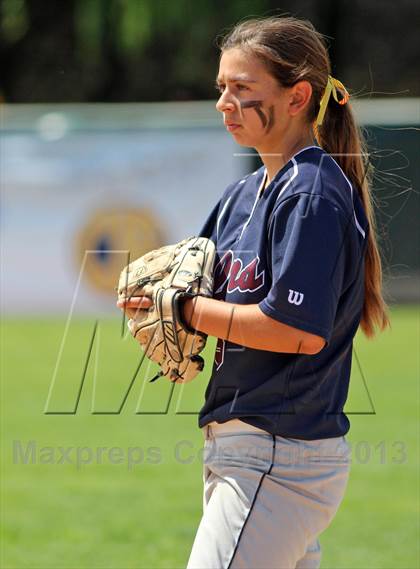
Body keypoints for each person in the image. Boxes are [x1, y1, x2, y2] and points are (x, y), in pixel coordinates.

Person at [119, 15, 390, 569]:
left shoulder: (312, 193)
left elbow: (297, 331)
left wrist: (185, 308)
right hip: (239, 446)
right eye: (222, 87)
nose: (225, 102)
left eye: (243, 88)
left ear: (298, 98)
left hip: (280, 450)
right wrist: (160, 304)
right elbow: (200, 297)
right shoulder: (242, 194)